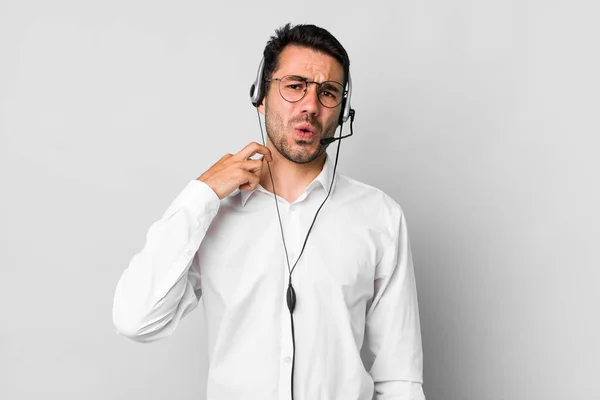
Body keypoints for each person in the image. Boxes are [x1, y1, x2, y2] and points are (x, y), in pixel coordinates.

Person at [112, 23, 425, 400]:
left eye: (327, 93)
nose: (310, 105)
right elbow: (135, 320)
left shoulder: (380, 218)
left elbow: (400, 379)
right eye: (294, 85)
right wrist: (203, 193)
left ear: (342, 112)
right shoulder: (211, 214)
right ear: (261, 96)